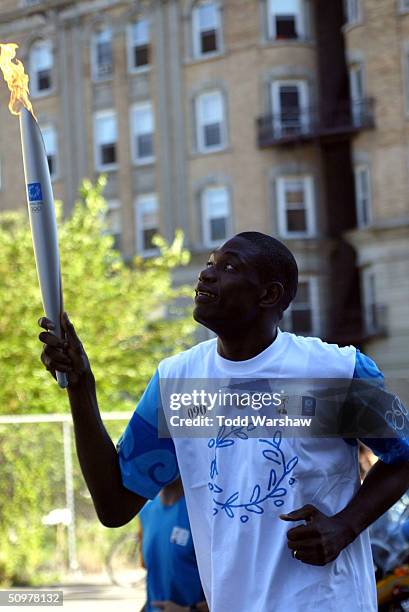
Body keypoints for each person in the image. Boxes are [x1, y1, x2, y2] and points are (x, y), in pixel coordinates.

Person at [38, 231, 409, 611]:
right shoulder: (178, 382)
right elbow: (114, 505)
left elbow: (404, 458)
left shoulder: (336, 371)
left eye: (229, 267)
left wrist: (345, 526)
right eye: (210, 263)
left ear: (269, 295)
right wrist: (81, 388)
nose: (207, 275)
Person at [138, 477, 208, 612]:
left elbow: (231, 591)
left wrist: (188, 610)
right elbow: (154, 581)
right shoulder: (145, 512)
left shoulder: (203, 512)